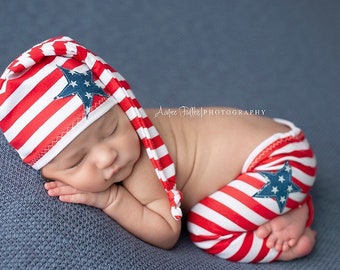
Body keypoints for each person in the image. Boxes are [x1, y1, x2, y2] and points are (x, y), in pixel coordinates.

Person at [0, 36, 316, 263]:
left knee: (207, 228)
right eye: (77, 160)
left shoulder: (142, 161)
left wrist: (111, 198)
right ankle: (286, 202)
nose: (106, 156)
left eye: (111, 129)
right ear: (44, 171)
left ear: (125, 109)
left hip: (280, 161)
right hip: (279, 145)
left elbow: (167, 233)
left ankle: (287, 233)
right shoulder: (118, 142)